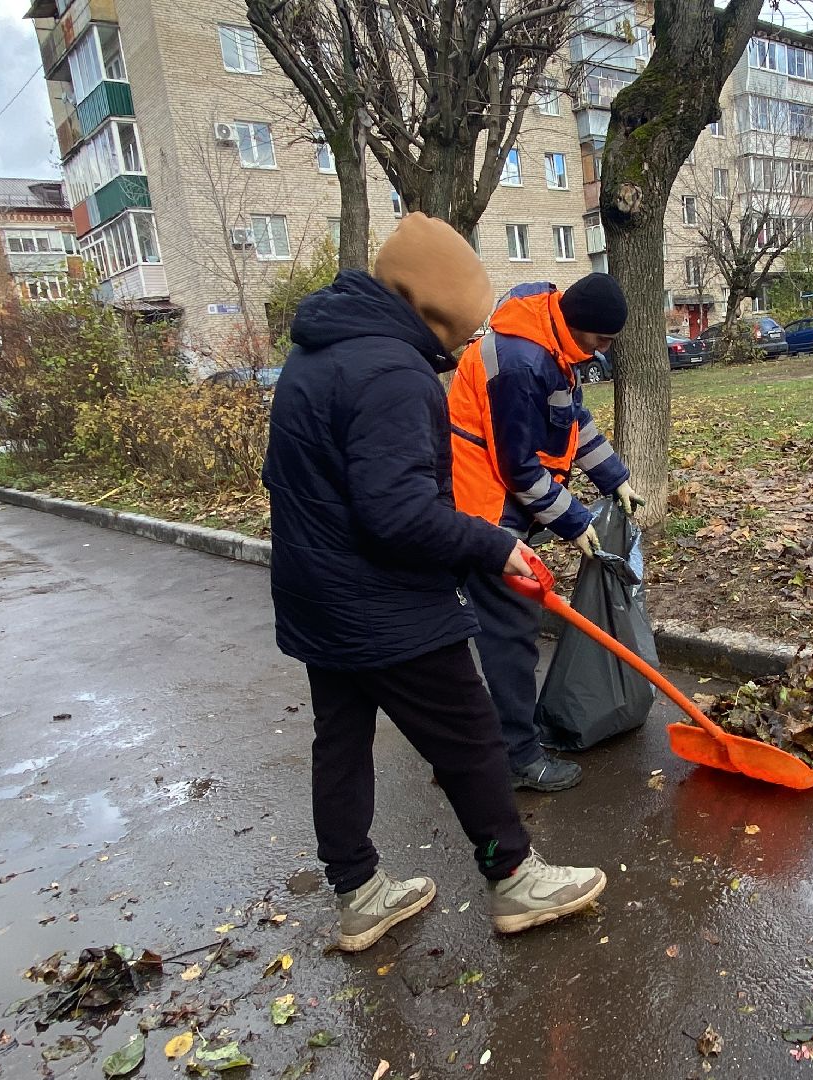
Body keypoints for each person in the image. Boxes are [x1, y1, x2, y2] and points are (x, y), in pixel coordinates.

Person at [262, 213, 606, 951]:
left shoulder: (317, 354)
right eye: (466, 323)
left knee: (342, 741)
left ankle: (359, 893)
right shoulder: (391, 372)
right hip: (381, 601)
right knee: (471, 737)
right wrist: (491, 545)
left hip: (314, 593)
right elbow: (397, 514)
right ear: (436, 307)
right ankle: (513, 877)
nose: (469, 341)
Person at [448, 274, 644, 792]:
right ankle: (518, 756)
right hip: (483, 509)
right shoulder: (520, 362)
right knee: (510, 629)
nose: (602, 352)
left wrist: (615, 479)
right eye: (600, 341)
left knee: (491, 627)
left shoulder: (553, 348)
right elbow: (518, 467)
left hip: (501, 503)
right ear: (576, 326)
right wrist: (574, 521)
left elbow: (572, 423)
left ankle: (490, 738)